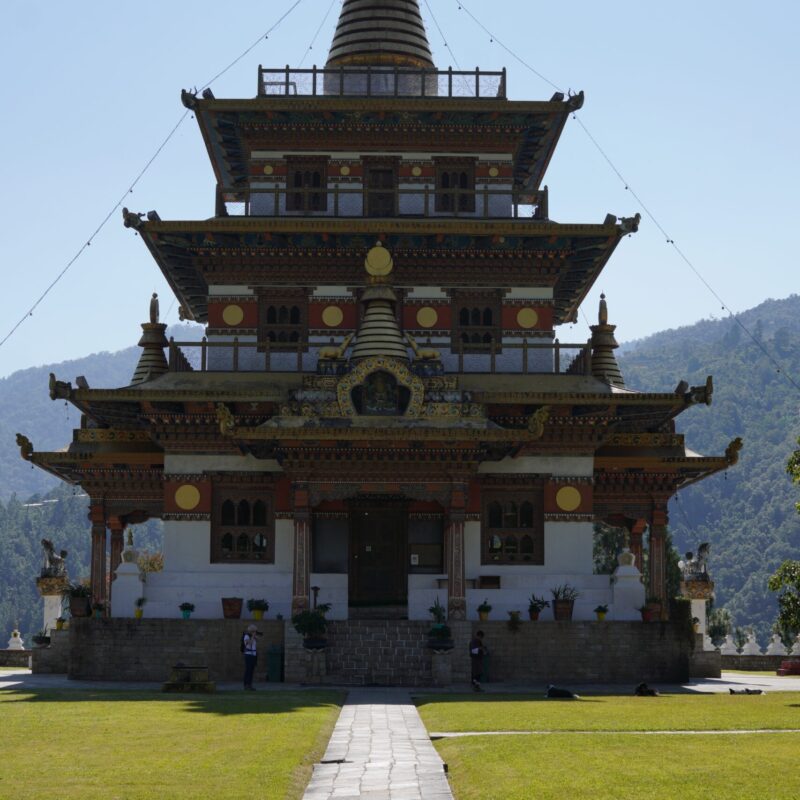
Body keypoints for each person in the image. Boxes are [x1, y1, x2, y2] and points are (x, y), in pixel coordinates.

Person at [243, 624, 259, 690]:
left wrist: (255, 636)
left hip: (253, 655)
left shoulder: (252, 636)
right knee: (248, 670)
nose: (255, 632)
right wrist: (252, 636)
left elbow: (258, 640)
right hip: (248, 655)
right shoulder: (246, 636)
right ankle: (246, 685)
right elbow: (248, 643)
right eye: (254, 631)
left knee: (251, 670)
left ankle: (250, 684)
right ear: (251, 631)